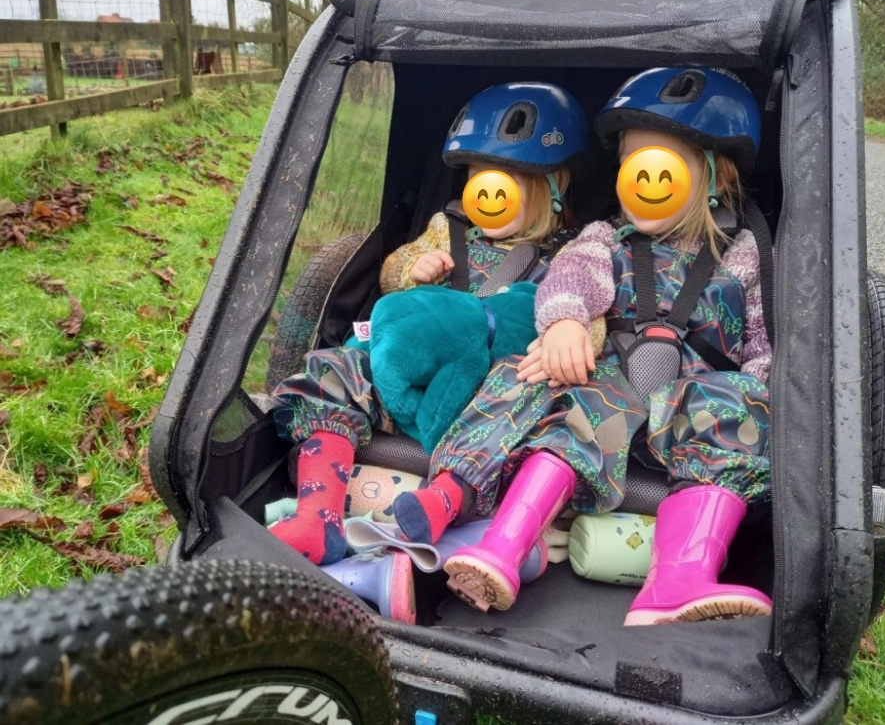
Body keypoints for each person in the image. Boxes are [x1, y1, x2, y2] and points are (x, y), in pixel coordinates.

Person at [399, 68, 773, 624]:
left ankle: (679, 578)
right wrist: (566, 323)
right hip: (605, 404)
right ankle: (500, 545)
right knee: (547, 378)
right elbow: (571, 275)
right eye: (630, 163)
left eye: (656, 161)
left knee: (743, 397)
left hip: (697, 414)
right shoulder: (604, 237)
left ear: (713, 174)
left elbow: (762, 339)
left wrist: (763, 388)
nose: (639, 177)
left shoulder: (742, 252)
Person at [269, 81, 593, 566]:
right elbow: (394, 269)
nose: (486, 192)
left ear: (552, 185)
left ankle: (442, 500)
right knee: (341, 364)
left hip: (486, 386)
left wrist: (561, 338)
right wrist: (410, 271)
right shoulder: (449, 227)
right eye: (478, 177)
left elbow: (587, 314)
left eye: (505, 180)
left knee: (529, 385)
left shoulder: (570, 255)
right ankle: (318, 516)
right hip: (412, 368)